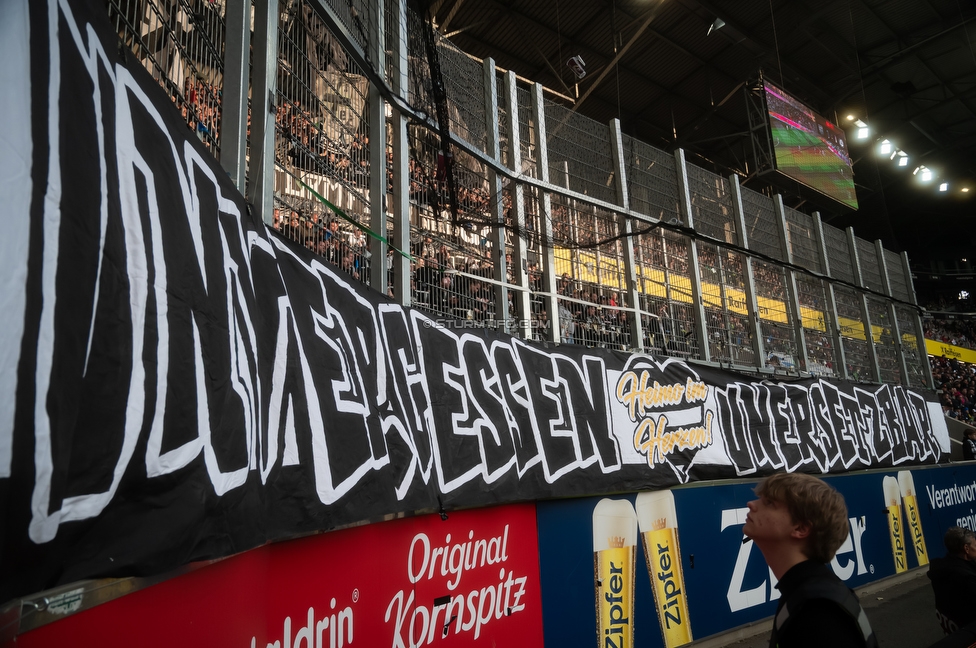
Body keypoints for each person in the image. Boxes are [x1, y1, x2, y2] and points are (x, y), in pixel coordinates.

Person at [743, 472, 876, 648]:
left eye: (770, 503)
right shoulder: (805, 594)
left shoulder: (819, 612)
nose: (751, 504)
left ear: (800, 528)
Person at [927, 526, 976, 632]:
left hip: (951, 626)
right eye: (975, 545)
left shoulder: (941, 568)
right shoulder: (966, 578)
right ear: (966, 549)